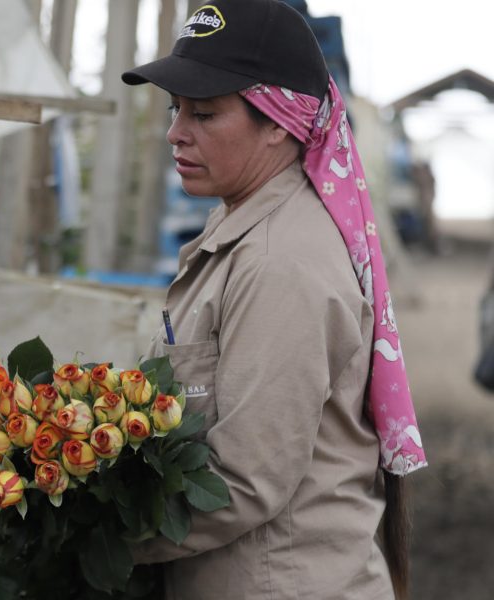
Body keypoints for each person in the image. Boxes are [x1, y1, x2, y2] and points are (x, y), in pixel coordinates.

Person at [121, 1, 427, 598]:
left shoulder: (280, 261)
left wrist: (77, 533)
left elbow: (241, 482)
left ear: (279, 122)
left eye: (205, 113)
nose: (177, 133)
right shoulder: (242, 225)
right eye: (175, 108)